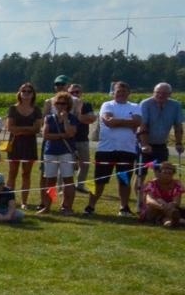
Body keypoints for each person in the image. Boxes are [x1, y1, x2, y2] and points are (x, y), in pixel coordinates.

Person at [89, 81, 144, 216]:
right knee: (99, 181)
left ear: (128, 93)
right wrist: (127, 122)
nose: (121, 94)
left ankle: (124, 207)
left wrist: (117, 121)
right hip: (106, 150)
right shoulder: (107, 105)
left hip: (127, 151)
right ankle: (90, 206)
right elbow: (108, 122)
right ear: (114, 92)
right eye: (118, 91)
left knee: (124, 181)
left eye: (124, 92)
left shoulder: (135, 106)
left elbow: (137, 122)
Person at [39, 93, 78, 214]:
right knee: (50, 180)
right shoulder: (49, 118)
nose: (60, 106)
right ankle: (47, 206)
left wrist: (65, 119)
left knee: (68, 180)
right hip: (50, 152)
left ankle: (67, 207)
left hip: (66, 152)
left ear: (68, 105)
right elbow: (45, 135)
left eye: (63, 103)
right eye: (57, 103)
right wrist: (61, 135)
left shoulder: (72, 118)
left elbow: (71, 133)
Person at [4, 84, 41, 209]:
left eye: (29, 91)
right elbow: (10, 128)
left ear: (33, 94)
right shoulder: (13, 109)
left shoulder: (36, 110)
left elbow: (37, 129)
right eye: (23, 91)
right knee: (12, 173)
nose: (26, 93)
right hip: (15, 144)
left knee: (26, 174)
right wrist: (28, 129)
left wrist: (20, 130)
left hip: (30, 145)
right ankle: (9, 201)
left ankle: (24, 202)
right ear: (19, 93)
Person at [139, 82, 184, 182]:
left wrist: (179, 143)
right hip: (143, 143)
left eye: (164, 93)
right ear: (153, 92)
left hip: (161, 145)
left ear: (170, 94)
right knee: (141, 174)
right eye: (158, 92)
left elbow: (178, 126)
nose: (160, 95)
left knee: (162, 174)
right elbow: (143, 125)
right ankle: (140, 197)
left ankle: (157, 195)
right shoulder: (145, 104)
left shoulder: (175, 105)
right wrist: (145, 144)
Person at [139, 161, 182, 227]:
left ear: (173, 174)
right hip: (153, 209)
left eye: (170, 173)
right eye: (164, 173)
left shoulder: (177, 184)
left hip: (169, 208)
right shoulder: (152, 183)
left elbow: (176, 201)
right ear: (159, 173)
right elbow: (149, 201)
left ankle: (170, 222)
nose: (167, 175)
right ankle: (176, 219)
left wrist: (170, 204)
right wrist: (162, 206)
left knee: (169, 215)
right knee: (159, 201)